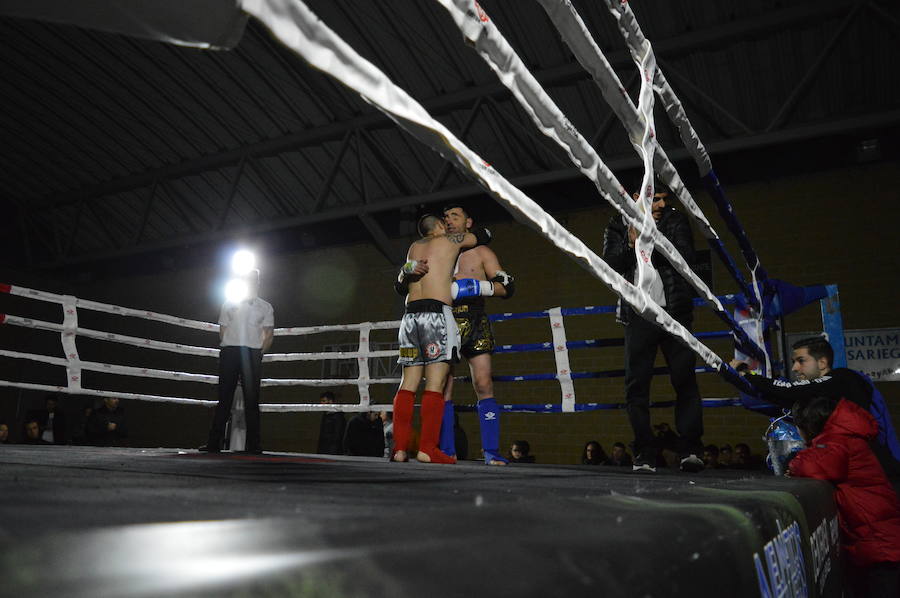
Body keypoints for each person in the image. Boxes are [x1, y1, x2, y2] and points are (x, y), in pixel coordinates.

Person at [396, 204, 515, 466]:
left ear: (468, 222)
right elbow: (402, 283)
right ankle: (445, 449)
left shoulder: (480, 252)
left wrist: (478, 287)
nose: (449, 220)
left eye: (455, 216)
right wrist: (406, 271)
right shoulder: (437, 247)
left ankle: (491, 451)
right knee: (442, 388)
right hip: (443, 318)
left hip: (471, 319)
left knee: (482, 383)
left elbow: (508, 286)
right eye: (446, 217)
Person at [603, 183, 704, 473]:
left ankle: (690, 451)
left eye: (664, 199)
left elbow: (687, 257)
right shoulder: (617, 224)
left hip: (675, 313)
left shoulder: (674, 220)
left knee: (685, 380)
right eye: (655, 199)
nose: (661, 205)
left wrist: (650, 239)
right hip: (639, 315)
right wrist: (631, 244)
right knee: (636, 386)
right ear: (638, 197)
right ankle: (644, 453)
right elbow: (610, 264)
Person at [732, 335, 900, 476]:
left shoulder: (844, 378)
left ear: (822, 363)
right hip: (858, 471)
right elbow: (781, 396)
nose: (795, 368)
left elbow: (789, 389)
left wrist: (747, 374)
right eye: (793, 362)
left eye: (801, 361)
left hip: (879, 470)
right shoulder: (821, 394)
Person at [789, 396, 900, 597]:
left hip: (879, 543)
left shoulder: (836, 440)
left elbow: (813, 466)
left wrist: (793, 462)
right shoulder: (843, 436)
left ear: (808, 425)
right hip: (878, 538)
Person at [201, 269, 274, 454]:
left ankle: (254, 445)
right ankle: (213, 443)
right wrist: (230, 346)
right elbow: (223, 330)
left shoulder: (265, 307)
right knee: (224, 397)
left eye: (253, 279)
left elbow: (268, 334)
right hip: (231, 351)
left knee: (252, 400)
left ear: (258, 282)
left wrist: (257, 353)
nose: (250, 282)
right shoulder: (229, 303)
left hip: (252, 353)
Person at [316, 391, 346, 455]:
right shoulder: (326, 415)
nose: (321, 403)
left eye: (324, 401)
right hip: (325, 450)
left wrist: (333, 452)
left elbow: (338, 436)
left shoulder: (337, 417)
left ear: (330, 401)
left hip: (332, 451)